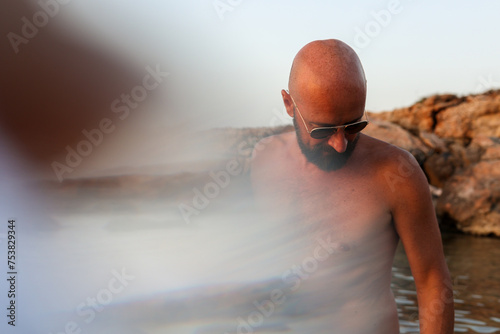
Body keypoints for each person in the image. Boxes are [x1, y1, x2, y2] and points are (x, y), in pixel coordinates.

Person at [250, 39, 454, 334]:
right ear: (288, 104)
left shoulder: (398, 173)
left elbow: (433, 281)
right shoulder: (263, 159)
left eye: (354, 125)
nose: (340, 143)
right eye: (323, 130)